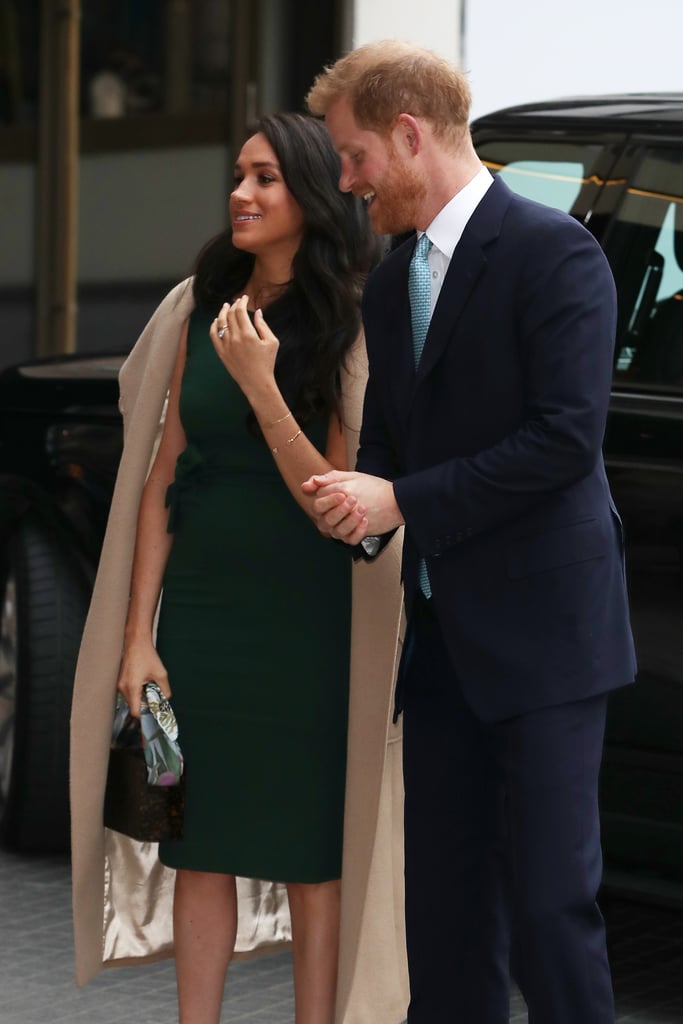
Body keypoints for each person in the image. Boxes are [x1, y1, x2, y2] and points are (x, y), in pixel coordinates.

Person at [304, 40, 637, 1024]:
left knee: (548, 913)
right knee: (444, 925)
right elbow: (390, 451)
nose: (350, 183)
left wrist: (397, 502)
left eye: (355, 156)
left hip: (547, 648)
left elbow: (563, 442)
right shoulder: (389, 278)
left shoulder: (555, 253)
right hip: (443, 653)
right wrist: (351, 504)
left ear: (408, 136)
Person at [69, 112, 409, 1024]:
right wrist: (141, 639)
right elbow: (162, 476)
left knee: (310, 853)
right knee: (199, 845)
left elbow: (331, 499)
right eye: (237, 176)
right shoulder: (201, 303)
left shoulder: (348, 317)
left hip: (309, 621)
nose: (241, 195)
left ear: (308, 194)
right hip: (204, 619)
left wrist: (261, 386)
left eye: (264, 178)